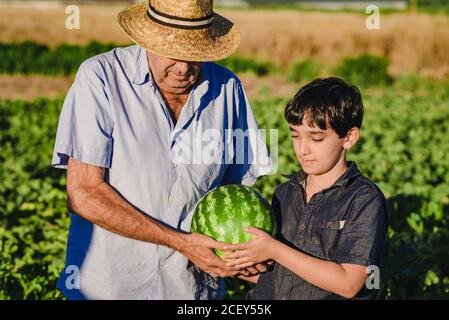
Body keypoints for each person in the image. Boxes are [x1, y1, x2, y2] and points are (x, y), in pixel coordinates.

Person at [51, 0, 272, 299]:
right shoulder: (101, 78)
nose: (183, 68)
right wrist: (181, 243)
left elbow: (231, 193)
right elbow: (84, 194)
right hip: (110, 288)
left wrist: (241, 256)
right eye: (172, 54)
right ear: (147, 39)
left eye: (194, 56)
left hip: (191, 292)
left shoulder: (228, 90)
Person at [224, 77, 389, 299]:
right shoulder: (284, 194)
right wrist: (240, 263)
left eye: (317, 138)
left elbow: (350, 283)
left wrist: (274, 249)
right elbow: (280, 273)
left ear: (349, 137)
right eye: (295, 135)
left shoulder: (364, 200)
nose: (302, 149)